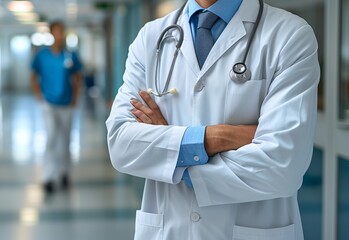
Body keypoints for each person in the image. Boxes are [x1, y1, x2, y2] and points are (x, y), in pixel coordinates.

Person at [106, 0, 320, 239]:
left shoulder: (290, 35)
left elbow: (282, 165)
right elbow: (121, 144)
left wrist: (172, 157)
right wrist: (217, 137)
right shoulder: (151, 37)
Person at [31, 21, 82, 194]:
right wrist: (39, 96)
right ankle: (48, 177)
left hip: (66, 103)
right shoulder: (42, 55)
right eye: (56, 32)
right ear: (51, 34)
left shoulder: (70, 55)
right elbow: (33, 75)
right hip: (49, 103)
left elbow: (77, 77)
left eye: (62, 32)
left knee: (66, 140)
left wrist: (75, 97)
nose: (59, 35)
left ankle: (65, 174)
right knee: (51, 138)